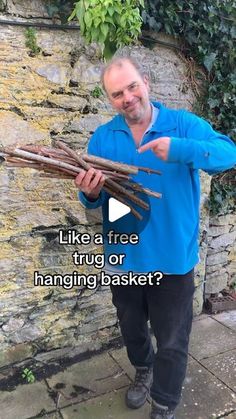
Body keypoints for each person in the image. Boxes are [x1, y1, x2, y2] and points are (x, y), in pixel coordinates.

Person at [75, 56, 236, 419]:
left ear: (145, 82)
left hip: (172, 259)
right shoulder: (103, 137)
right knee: (131, 328)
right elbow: (93, 199)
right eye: (117, 94)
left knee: (174, 341)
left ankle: (164, 403)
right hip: (125, 257)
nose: (127, 97)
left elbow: (229, 153)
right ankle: (143, 369)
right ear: (110, 99)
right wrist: (88, 192)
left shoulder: (182, 124)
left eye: (132, 86)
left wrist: (179, 149)